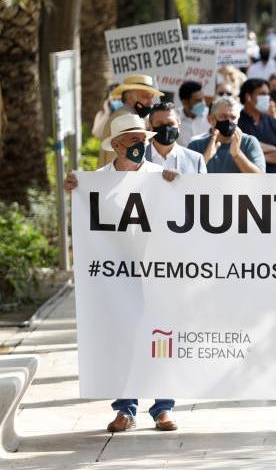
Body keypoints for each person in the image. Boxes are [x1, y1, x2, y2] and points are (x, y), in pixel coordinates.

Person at [63, 114, 180, 433]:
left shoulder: (163, 176)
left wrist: (177, 185)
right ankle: (125, 409)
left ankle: (163, 408)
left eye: (143, 141)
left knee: (160, 337)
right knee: (121, 337)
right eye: (132, 141)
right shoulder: (96, 181)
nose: (140, 146)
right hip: (117, 276)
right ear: (115, 146)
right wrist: (74, 191)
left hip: (158, 274)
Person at [187, 96, 266, 173]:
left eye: (233, 117)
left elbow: (259, 178)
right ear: (211, 119)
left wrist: (237, 154)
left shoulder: (249, 143)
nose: (229, 121)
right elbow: (186, 178)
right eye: (223, 116)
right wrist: (206, 157)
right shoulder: (195, 145)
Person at [96, 75, 163, 166]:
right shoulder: (126, 119)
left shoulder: (125, 116)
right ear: (130, 98)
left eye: (151, 97)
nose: (151, 102)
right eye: (146, 96)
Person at [237, 78, 276, 172]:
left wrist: (258, 158)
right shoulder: (237, 122)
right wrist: (274, 149)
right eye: (262, 94)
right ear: (248, 97)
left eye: (268, 94)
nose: (267, 98)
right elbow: (239, 150)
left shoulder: (272, 121)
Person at [144, 104, 206, 173]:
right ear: (150, 126)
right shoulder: (137, 158)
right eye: (160, 124)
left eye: (170, 124)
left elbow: (202, 184)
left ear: (178, 125)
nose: (166, 128)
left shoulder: (196, 160)